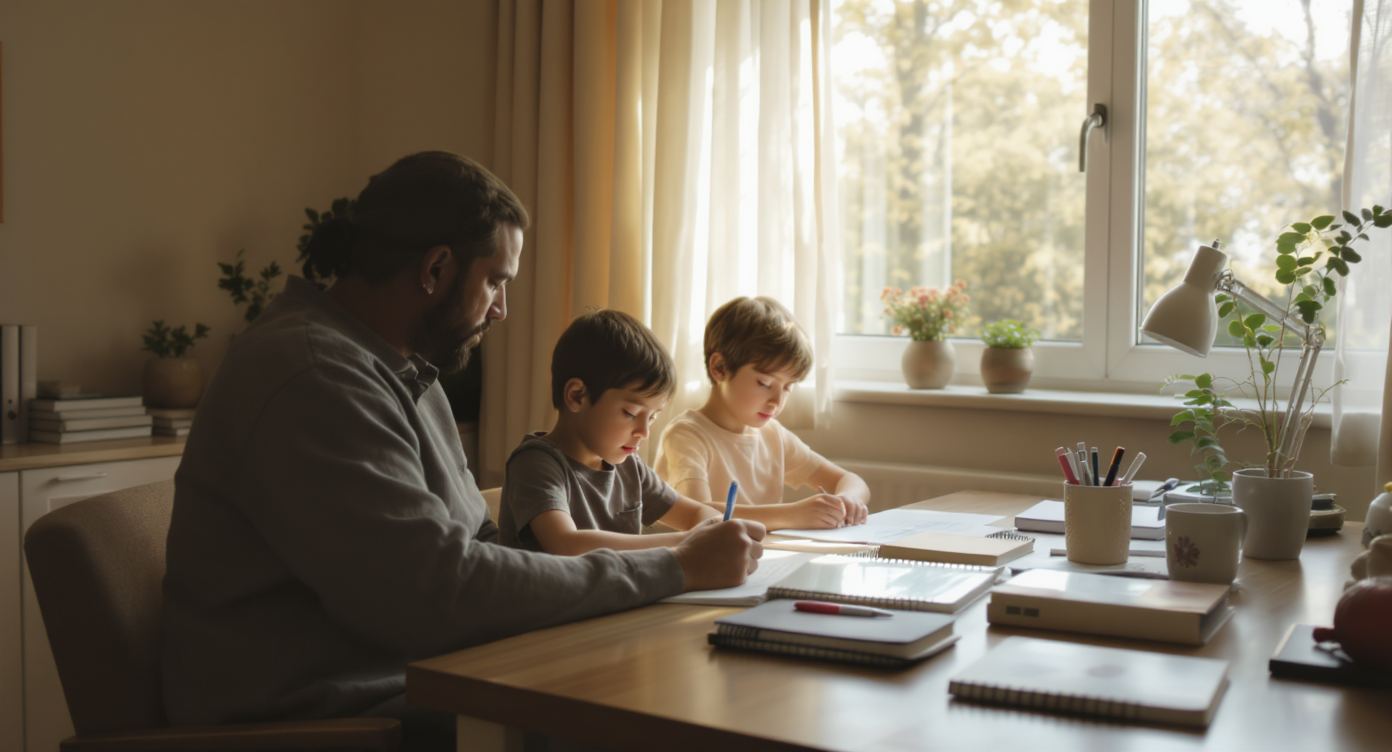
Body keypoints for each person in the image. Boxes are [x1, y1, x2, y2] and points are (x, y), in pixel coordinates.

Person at [160, 151, 764, 751]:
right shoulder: (314, 376)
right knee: (654, 723)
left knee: (665, 681)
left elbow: (478, 546)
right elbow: (436, 593)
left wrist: (645, 579)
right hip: (338, 719)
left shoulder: (405, 376)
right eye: (496, 281)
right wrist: (674, 567)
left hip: (424, 677)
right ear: (436, 268)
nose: (501, 309)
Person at [499, 309, 722, 555]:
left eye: (652, 417)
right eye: (631, 413)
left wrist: (713, 528)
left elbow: (699, 512)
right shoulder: (535, 464)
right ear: (577, 396)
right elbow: (566, 544)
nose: (644, 432)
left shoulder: (629, 466)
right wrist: (686, 541)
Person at [655, 296, 871, 529]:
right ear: (720, 368)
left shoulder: (772, 435)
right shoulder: (685, 436)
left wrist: (847, 500)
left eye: (787, 388)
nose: (777, 401)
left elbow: (849, 480)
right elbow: (699, 515)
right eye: (765, 383)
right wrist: (793, 514)